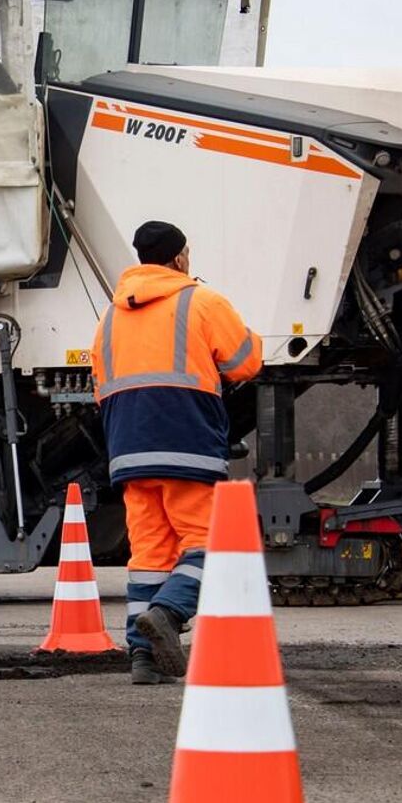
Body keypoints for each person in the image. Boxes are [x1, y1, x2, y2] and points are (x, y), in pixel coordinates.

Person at [92, 222, 263, 685]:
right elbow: (245, 362)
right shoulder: (200, 301)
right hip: (186, 441)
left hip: (128, 450)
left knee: (149, 554)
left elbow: (99, 387)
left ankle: (143, 658)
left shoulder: (110, 316)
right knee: (209, 545)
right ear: (180, 259)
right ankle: (168, 612)